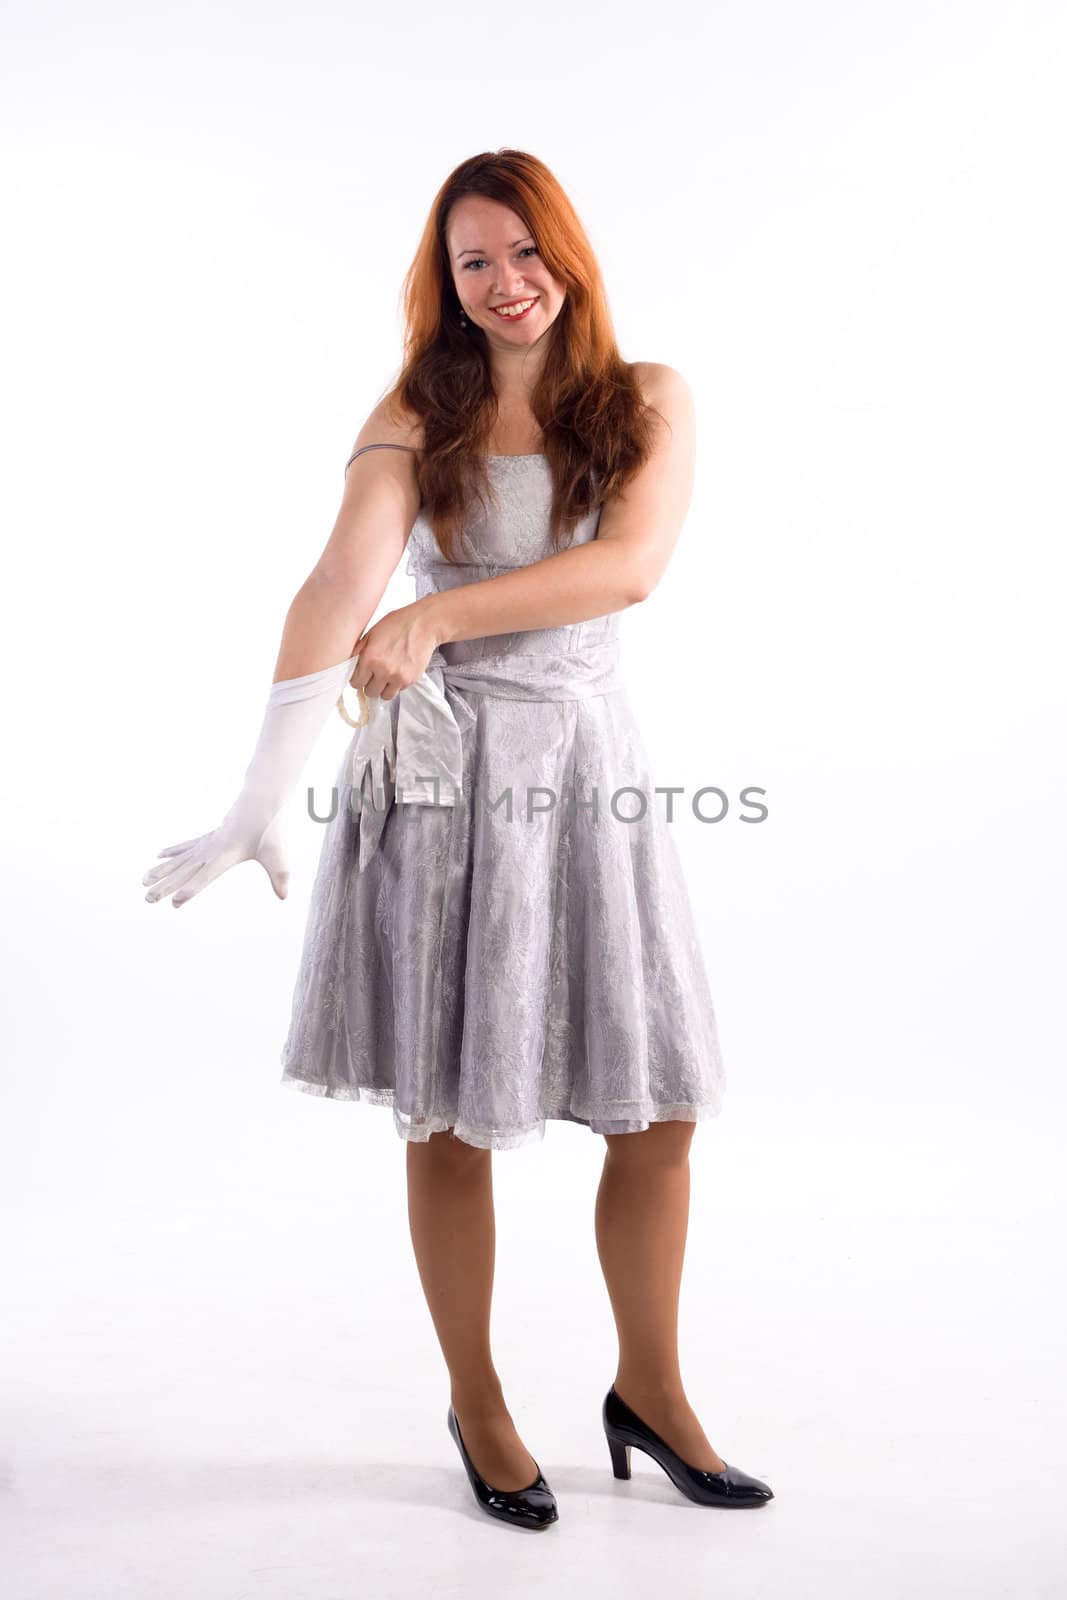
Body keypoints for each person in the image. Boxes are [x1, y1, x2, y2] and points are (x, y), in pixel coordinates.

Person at [142, 149, 774, 1530]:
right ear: (445, 282)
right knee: (446, 1110)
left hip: (587, 767)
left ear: (572, 251)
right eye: (473, 261)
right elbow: (336, 583)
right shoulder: (414, 412)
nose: (506, 283)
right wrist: (261, 792)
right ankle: (479, 1404)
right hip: (439, 784)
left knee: (654, 1103)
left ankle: (652, 1391)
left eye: (525, 251)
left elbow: (629, 569)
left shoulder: (650, 398)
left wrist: (433, 619)